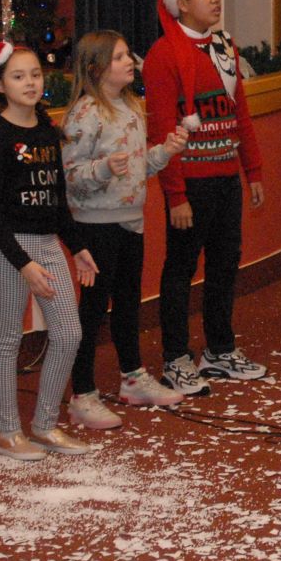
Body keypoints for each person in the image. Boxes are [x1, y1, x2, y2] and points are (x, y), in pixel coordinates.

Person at [142, 0, 269, 395]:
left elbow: (240, 113)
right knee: (180, 269)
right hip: (190, 183)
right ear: (181, 4)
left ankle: (219, 349)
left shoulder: (224, 47)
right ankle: (176, 358)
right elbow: (162, 132)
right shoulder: (162, 56)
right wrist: (176, 194)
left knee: (224, 264)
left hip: (225, 177)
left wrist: (252, 169)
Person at [0, 40, 99, 459]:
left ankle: (45, 424)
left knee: (69, 333)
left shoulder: (47, 132)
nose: (30, 83)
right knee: (9, 334)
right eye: (18, 76)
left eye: (35, 74)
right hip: (8, 247)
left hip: (47, 244)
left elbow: (56, 200)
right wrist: (24, 264)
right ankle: (7, 430)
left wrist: (77, 247)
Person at [61, 31, 189, 425]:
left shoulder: (132, 107)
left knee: (129, 303)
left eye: (127, 55)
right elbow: (69, 175)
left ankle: (132, 377)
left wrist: (164, 152)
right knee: (93, 309)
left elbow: (137, 166)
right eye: (118, 57)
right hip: (95, 225)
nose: (129, 61)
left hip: (131, 221)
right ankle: (82, 393)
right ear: (96, 68)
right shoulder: (85, 113)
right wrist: (101, 169)